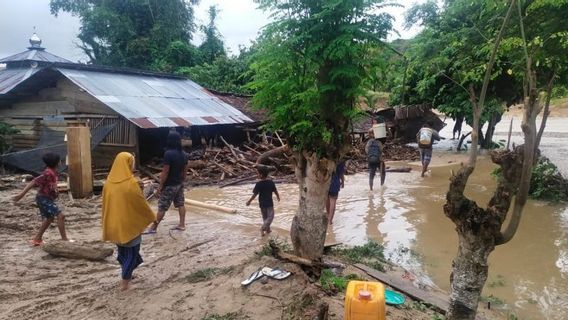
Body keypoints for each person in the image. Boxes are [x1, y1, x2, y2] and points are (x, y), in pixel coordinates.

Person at [102, 152, 156, 291]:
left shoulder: (108, 183)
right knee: (132, 254)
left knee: (123, 253)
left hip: (115, 224)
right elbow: (139, 203)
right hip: (130, 225)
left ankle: (127, 274)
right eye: (131, 163)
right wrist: (150, 216)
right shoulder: (132, 183)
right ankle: (125, 284)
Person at [13, 152, 68, 246]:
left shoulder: (53, 172)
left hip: (46, 198)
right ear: (57, 162)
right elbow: (34, 182)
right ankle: (64, 240)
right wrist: (21, 194)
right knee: (61, 216)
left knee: (49, 218)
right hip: (43, 198)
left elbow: (51, 185)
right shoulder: (48, 173)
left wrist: (55, 191)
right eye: (60, 160)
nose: (61, 161)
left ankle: (37, 239)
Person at [147, 131, 189, 233]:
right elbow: (185, 171)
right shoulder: (184, 154)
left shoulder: (168, 154)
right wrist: (182, 181)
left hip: (169, 185)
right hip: (179, 183)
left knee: (162, 207)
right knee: (180, 204)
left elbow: (165, 171)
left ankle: (153, 228)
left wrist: (160, 187)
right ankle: (182, 225)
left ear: (169, 141)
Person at [246, 167, 280, 236]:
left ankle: (268, 230)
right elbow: (275, 191)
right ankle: (263, 228)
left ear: (261, 175)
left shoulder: (258, 184)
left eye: (258, 174)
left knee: (265, 217)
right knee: (270, 216)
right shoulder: (270, 182)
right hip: (269, 203)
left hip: (262, 203)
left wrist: (249, 201)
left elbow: (255, 194)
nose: (257, 175)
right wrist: (278, 196)